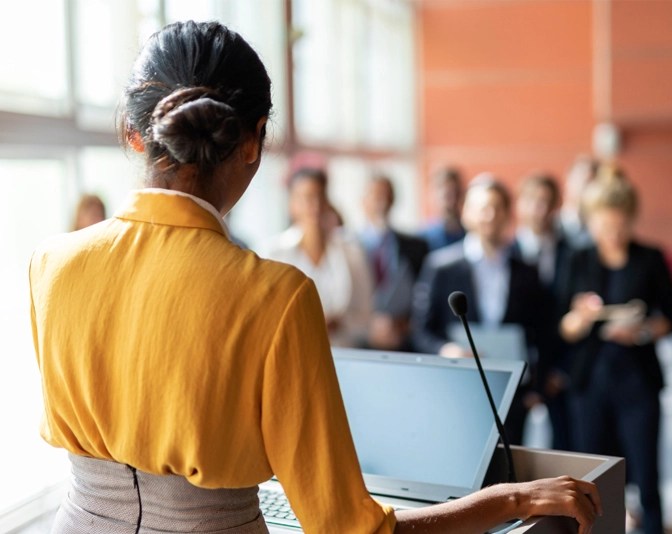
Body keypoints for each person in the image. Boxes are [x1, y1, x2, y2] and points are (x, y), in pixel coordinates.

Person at [28, 21, 601, 534]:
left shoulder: (50, 264)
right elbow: (351, 530)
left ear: (133, 133)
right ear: (253, 142)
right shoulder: (275, 296)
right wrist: (506, 500)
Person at [560, 166, 672, 534]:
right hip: (590, 378)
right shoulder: (577, 257)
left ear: (631, 220)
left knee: (646, 470)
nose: (612, 235)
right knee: (591, 473)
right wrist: (581, 317)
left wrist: (642, 330)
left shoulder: (650, 257)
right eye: (603, 226)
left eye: (619, 226)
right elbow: (563, 327)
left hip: (637, 377)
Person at [412, 174, 556, 445]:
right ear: (466, 212)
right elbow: (421, 329)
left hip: (512, 390)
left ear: (507, 215)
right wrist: (447, 350)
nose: (489, 215)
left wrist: (536, 386)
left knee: (511, 469)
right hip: (460, 387)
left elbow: (542, 331)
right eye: (481, 208)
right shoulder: (441, 267)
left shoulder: (527, 271)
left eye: (497, 208)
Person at [265, 167, 373, 348]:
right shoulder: (274, 253)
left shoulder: (351, 251)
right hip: (292, 352)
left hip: (342, 354)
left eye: (319, 196)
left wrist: (340, 324)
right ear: (292, 204)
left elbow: (366, 314)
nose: (314, 206)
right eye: (306, 198)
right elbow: (267, 316)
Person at [512, 173, 573, 450]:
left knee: (566, 449)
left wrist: (558, 369)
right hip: (519, 371)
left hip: (562, 370)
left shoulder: (574, 253)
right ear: (520, 204)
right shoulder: (506, 253)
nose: (541, 209)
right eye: (534, 201)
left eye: (548, 202)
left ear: (558, 205)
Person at [360, 174, 429, 351]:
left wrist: (404, 324)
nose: (381, 203)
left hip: (403, 340)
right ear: (363, 201)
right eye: (375, 196)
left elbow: (424, 294)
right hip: (361, 343)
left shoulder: (416, 246)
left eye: (386, 196)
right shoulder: (349, 246)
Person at [419, 166, 466, 251]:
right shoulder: (423, 237)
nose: (452, 201)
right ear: (434, 195)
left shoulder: (470, 233)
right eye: (447, 195)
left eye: (456, 193)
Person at [558, 154, 598, 249]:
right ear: (567, 180)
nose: (584, 187)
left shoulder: (600, 231)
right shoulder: (549, 226)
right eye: (580, 178)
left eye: (591, 182)